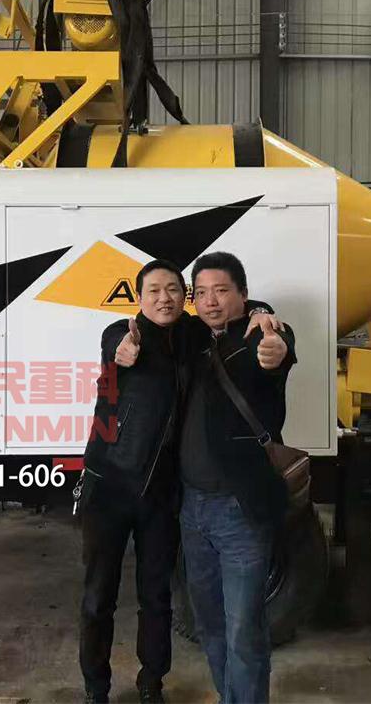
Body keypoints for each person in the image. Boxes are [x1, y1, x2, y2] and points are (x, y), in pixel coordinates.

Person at [78, 258, 280, 704]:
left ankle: (152, 681)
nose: (164, 298)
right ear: (139, 298)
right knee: (98, 598)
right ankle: (96, 687)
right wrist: (119, 349)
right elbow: (114, 344)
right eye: (153, 291)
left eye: (173, 289)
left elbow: (232, 315)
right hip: (110, 487)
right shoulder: (124, 335)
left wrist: (262, 311)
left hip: (161, 494)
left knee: (157, 598)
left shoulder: (192, 336)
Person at [177, 251, 296, 704]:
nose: (211, 301)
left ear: (242, 294)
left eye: (222, 291)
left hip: (239, 510)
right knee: (208, 623)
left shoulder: (258, 335)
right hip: (191, 509)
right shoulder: (192, 339)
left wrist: (273, 345)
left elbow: (277, 350)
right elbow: (136, 327)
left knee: (244, 629)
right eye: (202, 293)